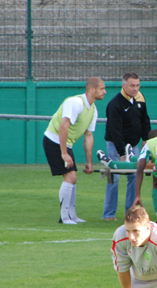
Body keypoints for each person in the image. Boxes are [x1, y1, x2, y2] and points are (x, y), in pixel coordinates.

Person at [42, 77, 106, 224]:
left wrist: (89, 162)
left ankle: (72, 215)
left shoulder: (93, 110)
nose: (105, 92)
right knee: (70, 177)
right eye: (102, 88)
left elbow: (88, 137)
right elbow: (64, 126)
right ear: (92, 90)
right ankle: (65, 218)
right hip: (54, 141)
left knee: (73, 179)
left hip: (65, 144)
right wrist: (64, 153)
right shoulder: (75, 102)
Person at [102, 72, 151, 221]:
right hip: (115, 145)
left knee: (134, 177)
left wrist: (145, 138)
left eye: (137, 85)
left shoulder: (140, 98)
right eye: (132, 85)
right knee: (114, 178)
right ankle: (109, 214)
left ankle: (131, 213)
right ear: (124, 86)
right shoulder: (115, 104)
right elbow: (115, 131)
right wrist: (123, 152)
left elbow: (145, 119)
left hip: (134, 144)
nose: (135, 89)